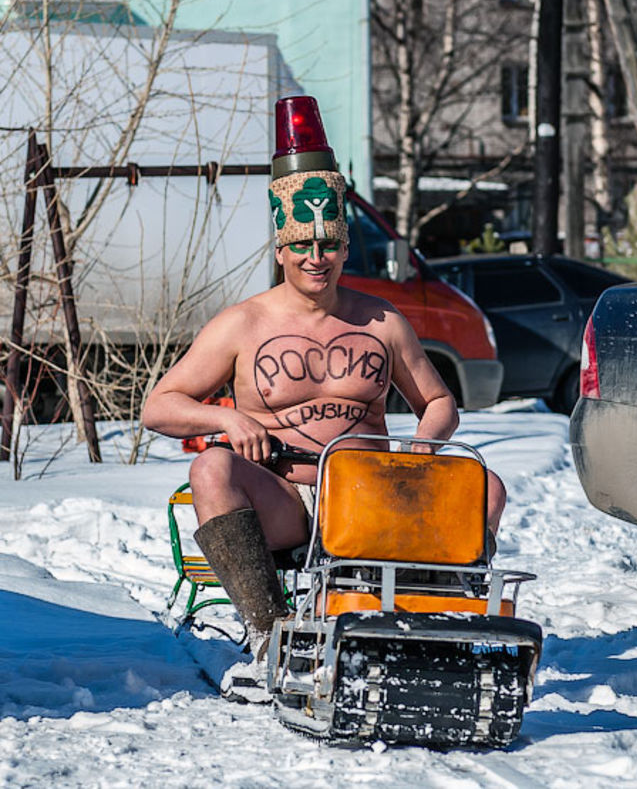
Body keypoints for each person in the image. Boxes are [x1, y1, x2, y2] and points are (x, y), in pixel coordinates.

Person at [142, 97, 505, 701]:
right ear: (281, 249)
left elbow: (439, 402)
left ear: (343, 249)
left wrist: (424, 444)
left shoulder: (382, 320)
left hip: (371, 494)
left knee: (484, 486)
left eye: (329, 244)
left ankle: (436, 629)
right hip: (284, 492)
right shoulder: (242, 323)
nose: (317, 257)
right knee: (210, 467)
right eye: (303, 244)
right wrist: (226, 416)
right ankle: (267, 638)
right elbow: (161, 405)